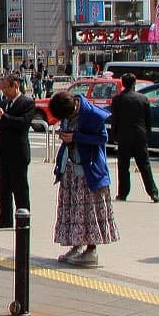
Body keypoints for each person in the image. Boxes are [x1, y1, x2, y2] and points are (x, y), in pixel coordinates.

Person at [49, 90, 120, 267]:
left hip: (89, 170)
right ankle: (77, 244)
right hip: (72, 168)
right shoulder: (67, 112)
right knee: (74, 208)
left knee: (89, 211)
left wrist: (76, 137)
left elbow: (103, 138)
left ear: (73, 106)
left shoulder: (92, 114)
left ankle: (91, 249)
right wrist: (66, 137)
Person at [0, 75, 35, 228]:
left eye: (6, 88)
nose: (4, 93)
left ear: (15, 85)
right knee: (3, 187)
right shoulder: (2, 102)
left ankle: (23, 219)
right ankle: (5, 218)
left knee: (20, 187)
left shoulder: (26, 103)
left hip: (18, 151)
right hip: (3, 151)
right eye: (2, 89)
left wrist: (4, 116)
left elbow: (22, 124)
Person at [110, 73, 159, 203]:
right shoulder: (143, 99)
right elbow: (148, 120)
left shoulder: (117, 99)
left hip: (124, 136)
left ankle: (123, 193)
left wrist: (114, 135)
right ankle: (153, 193)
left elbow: (115, 120)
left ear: (123, 83)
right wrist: (147, 135)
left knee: (123, 166)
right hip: (140, 135)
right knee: (144, 165)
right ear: (134, 83)